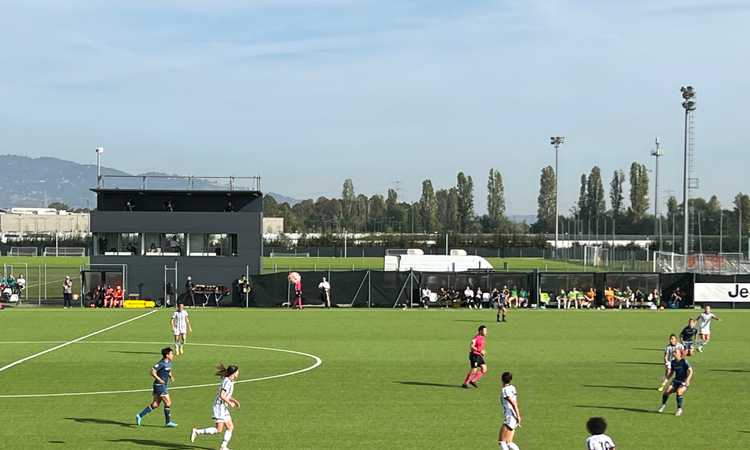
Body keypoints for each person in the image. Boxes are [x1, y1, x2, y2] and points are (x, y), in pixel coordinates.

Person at [191, 364, 241, 450]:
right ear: (233, 373)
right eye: (237, 371)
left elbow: (226, 395)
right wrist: (230, 403)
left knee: (230, 427)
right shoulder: (227, 382)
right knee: (218, 429)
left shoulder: (230, 381)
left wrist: (234, 400)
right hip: (219, 407)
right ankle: (197, 432)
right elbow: (222, 395)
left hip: (223, 407)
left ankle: (223, 446)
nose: (238, 373)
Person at [136, 347, 178, 427]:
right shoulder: (161, 363)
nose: (173, 355)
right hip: (159, 386)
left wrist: (171, 376)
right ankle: (168, 422)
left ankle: (139, 415)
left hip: (163, 386)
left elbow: (168, 370)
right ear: (167, 355)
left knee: (155, 404)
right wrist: (159, 379)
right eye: (171, 354)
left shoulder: (169, 362)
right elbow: (152, 371)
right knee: (168, 402)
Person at [658, 347, 692, 416]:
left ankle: (679, 409)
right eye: (673, 352)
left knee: (679, 392)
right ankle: (663, 405)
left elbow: (691, 371)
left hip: (683, 382)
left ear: (680, 354)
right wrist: (665, 380)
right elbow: (671, 373)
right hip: (676, 381)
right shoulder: (673, 362)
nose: (674, 353)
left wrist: (687, 380)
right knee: (666, 392)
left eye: (675, 352)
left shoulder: (684, 361)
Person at [498, 371, 521, 450]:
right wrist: (517, 416)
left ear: (502, 379)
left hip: (510, 417)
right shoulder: (512, 387)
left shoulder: (505, 390)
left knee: (502, 441)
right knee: (509, 442)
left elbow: (513, 403)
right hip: (513, 417)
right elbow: (516, 402)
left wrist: (518, 416)